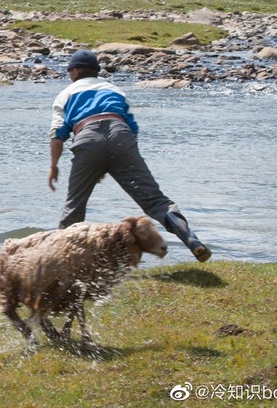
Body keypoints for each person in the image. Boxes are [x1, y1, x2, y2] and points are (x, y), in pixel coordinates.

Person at [48, 49, 212, 262]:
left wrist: (54, 166)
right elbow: (131, 128)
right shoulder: (115, 90)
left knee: (74, 206)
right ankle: (191, 239)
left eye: (70, 71)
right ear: (96, 71)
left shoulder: (65, 94)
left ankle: (62, 261)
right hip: (121, 138)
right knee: (155, 200)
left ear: (76, 70)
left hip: (87, 140)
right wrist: (117, 158)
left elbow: (57, 135)